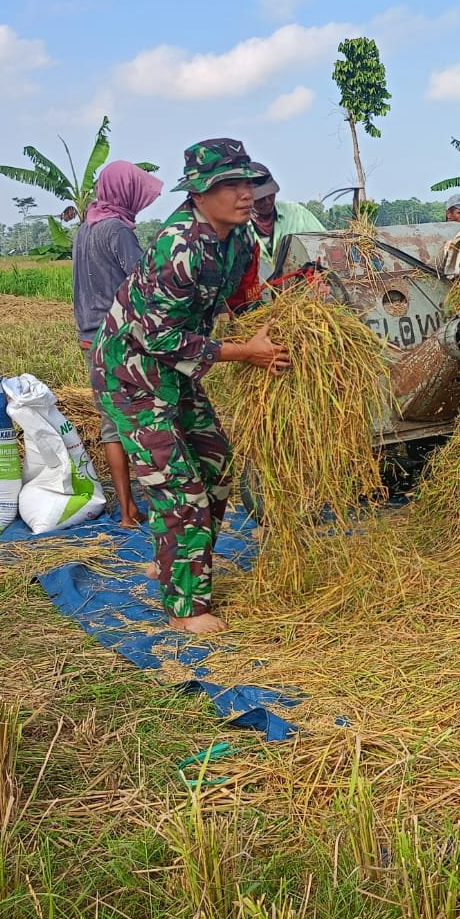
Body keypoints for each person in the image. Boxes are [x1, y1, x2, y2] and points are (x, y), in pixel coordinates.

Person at [91, 138, 290, 636]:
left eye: (248, 183)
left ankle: (175, 561)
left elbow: (243, 300)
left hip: (176, 371)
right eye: (230, 185)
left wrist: (275, 332)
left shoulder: (240, 238)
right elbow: (157, 337)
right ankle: (185, 608)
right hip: (132, 372)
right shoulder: (177, 245)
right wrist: (245, 353)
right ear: (199, 193)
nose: (245, 194)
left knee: (215, 461)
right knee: (179, 486)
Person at [74, 160, 164, 528]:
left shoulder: (86, 228)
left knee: (112, 423)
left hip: (90, 337)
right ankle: (158, 505)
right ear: (125, 192)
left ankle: (127, 510)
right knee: (145, 418)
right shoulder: (118, 230)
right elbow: (145, 284)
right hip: (119, 338)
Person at [249, 160, 324, 268]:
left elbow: (324, 242)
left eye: (270, 194)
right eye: (260, 198)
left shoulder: (296, 213)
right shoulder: (238, 228)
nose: (267, 201)